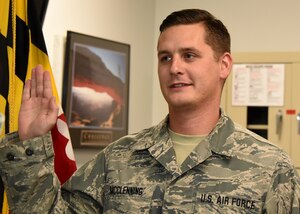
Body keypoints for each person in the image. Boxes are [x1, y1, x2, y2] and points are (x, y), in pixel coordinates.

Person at [0, 8, 299, 213]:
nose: (175, 68)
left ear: (224, 65)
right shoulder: (118, 158)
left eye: (189, 55)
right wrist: (31, 143)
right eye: (165, 57)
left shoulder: (271, 167)